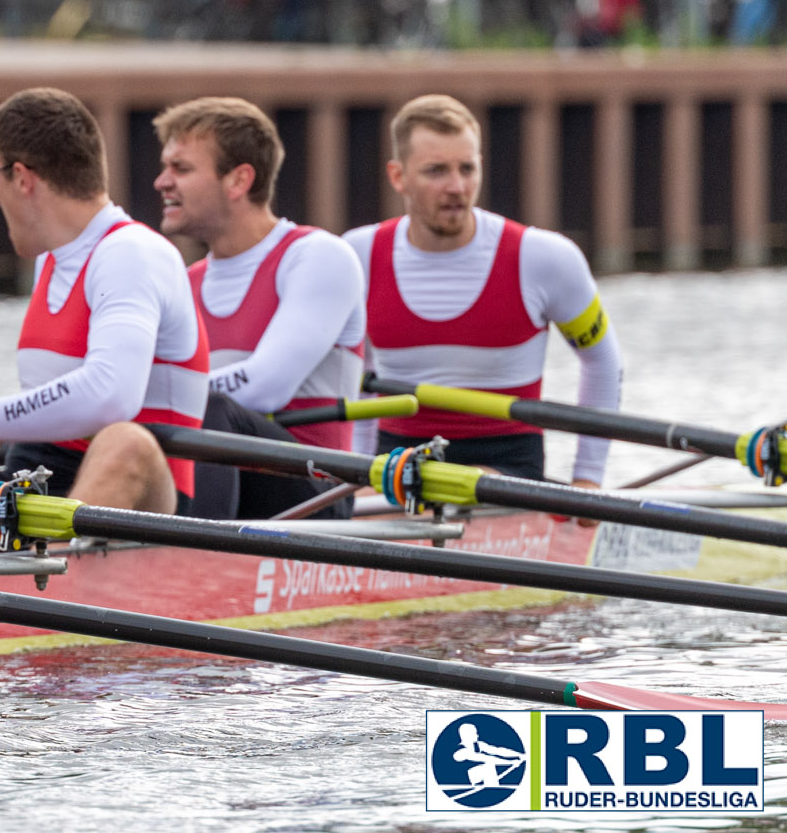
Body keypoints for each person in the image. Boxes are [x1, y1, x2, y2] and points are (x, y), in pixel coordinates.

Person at [345, 95, 625, 486]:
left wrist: (588, 480)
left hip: (507, 470)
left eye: (467, 168)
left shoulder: (545, 259)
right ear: (398, 177)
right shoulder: (356, 257)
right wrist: (353, 478)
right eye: (437, 171)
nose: (457, 187)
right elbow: (354, 376)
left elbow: (602, 362)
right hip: (396, 466)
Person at [0, 89, 211, 517]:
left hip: (149, 510)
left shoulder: (131, 253)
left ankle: (40, 572)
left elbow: (110, 396)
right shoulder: (52, 256)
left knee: (124, 442)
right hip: (40, 490)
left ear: (23, 178)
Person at [152, 96, 364, 519]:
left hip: (315, 491)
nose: (161, 182)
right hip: (223, 484)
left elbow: (266, 384)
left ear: (238, 180)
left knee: (211, 408)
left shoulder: (318, 257)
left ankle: (190, 558)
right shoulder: (182, 283)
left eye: (181, 168)